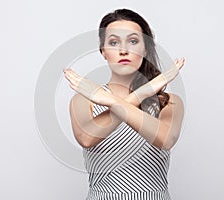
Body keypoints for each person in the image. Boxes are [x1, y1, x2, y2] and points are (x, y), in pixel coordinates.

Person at [64, 8, 185, 200]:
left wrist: (110, 100)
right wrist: (142, 93)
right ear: (103, 51)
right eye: (113, 42)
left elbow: (165, 139)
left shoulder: (169, 103)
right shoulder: (83, 100)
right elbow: (87, 137)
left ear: (145, 49)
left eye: (133, 41)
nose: (123, 50)